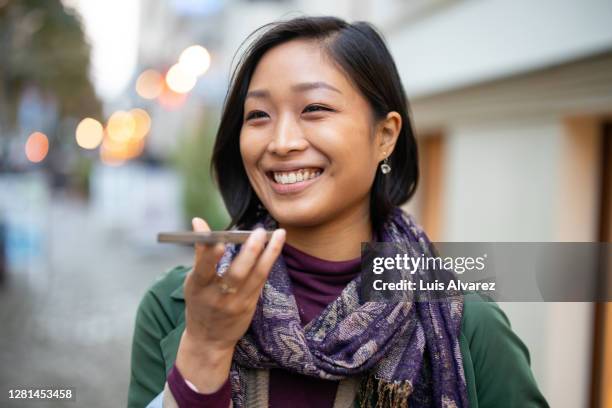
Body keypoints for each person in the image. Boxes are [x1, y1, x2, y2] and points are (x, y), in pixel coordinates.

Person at [128, 16, 549, 407]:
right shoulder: (178, 308)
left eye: (314, 109)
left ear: (384, 136)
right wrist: (205, 348)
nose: (282, 142)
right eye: (258, 115)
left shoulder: (468, 326)